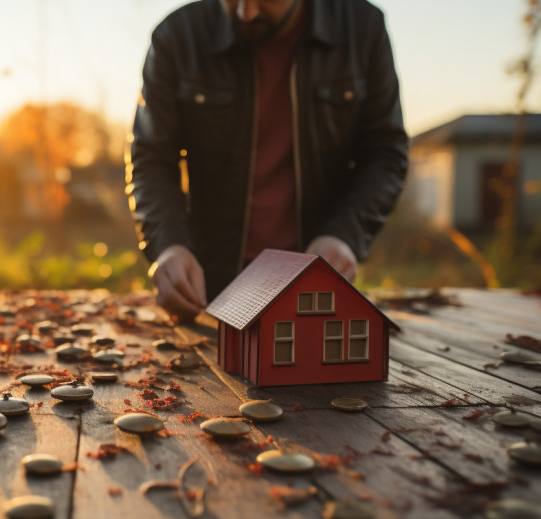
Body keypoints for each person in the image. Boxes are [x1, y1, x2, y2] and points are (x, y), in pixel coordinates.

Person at [126, 0, 408, 321]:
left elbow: (386, 152)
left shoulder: (362, 29)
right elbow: (150, 157)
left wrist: (344, 234)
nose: (247, 12)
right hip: (209, 283)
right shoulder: (178, 35)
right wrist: (169, 244)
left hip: (314, 280)